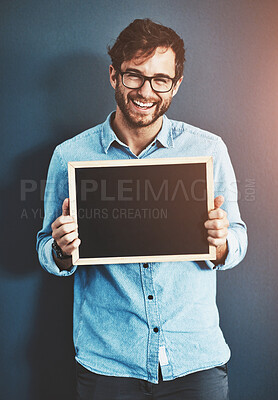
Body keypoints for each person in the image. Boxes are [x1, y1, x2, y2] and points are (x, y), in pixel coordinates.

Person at [37, 18, 247, 400]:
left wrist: (221, 242)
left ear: (176, 84)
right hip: (109, 366)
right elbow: (44, 248)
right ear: (114, 77)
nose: (146, 91)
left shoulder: (208, 150)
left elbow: (238, 238)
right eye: (134, 76)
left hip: (194, 363)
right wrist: (60, 249)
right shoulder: (69, 156)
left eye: (160, 80)